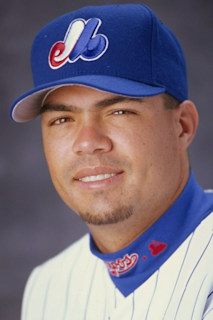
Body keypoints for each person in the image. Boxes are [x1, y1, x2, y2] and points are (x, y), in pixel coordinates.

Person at [10, 4, 213, 320]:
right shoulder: (46, 285)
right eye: (63, 119)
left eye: (120, 112)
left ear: (182, 126)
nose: (88, 142)